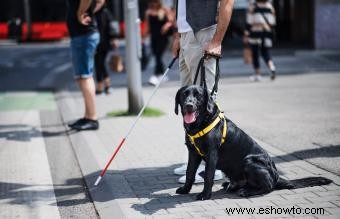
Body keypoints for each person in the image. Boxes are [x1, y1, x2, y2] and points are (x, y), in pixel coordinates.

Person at [171, 0, 235, 184]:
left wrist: (216, 40)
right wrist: (178, 35)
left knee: (205, 104)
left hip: (204, 32)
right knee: (188, 105)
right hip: (185, 33)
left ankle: (210, 168)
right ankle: (194, 160)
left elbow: (227, 1)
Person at [66, 0, 105, 130]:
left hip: (83, 35)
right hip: (85, 34)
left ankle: (92, 118)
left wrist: (81, 12)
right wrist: (88, 11)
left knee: (84, 76)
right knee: (83, 76)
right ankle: (88, 116)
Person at [144, 0, 175, 86]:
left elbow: (172, 21)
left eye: (156, 1)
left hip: (163, 37)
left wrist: (166, 26)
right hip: (154, 37)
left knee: (158, 55)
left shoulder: (165, 10)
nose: (154, 3)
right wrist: (143, 37)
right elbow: (148, 26)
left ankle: (155, 76)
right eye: (152, 2)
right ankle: (162, 75)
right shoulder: (148, 12)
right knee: (157, 56)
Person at [244, 0, 276, 82]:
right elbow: (273, 22)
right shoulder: (269, 6)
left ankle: (258, 74)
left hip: (255, 32)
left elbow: (249, 22)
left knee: (255, 54)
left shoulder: (252, 6)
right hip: (266, 32)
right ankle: (272, 67)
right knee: (265, 52)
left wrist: (246, 34)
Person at [94, 6, 117, 95]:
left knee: (100, 63)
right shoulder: (93, 11)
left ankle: (105, 86)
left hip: (104, 43)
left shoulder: (106, 12)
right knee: (98, 64)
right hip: (95, 42)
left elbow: (112, 26)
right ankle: (104, 86)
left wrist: (114, 38)